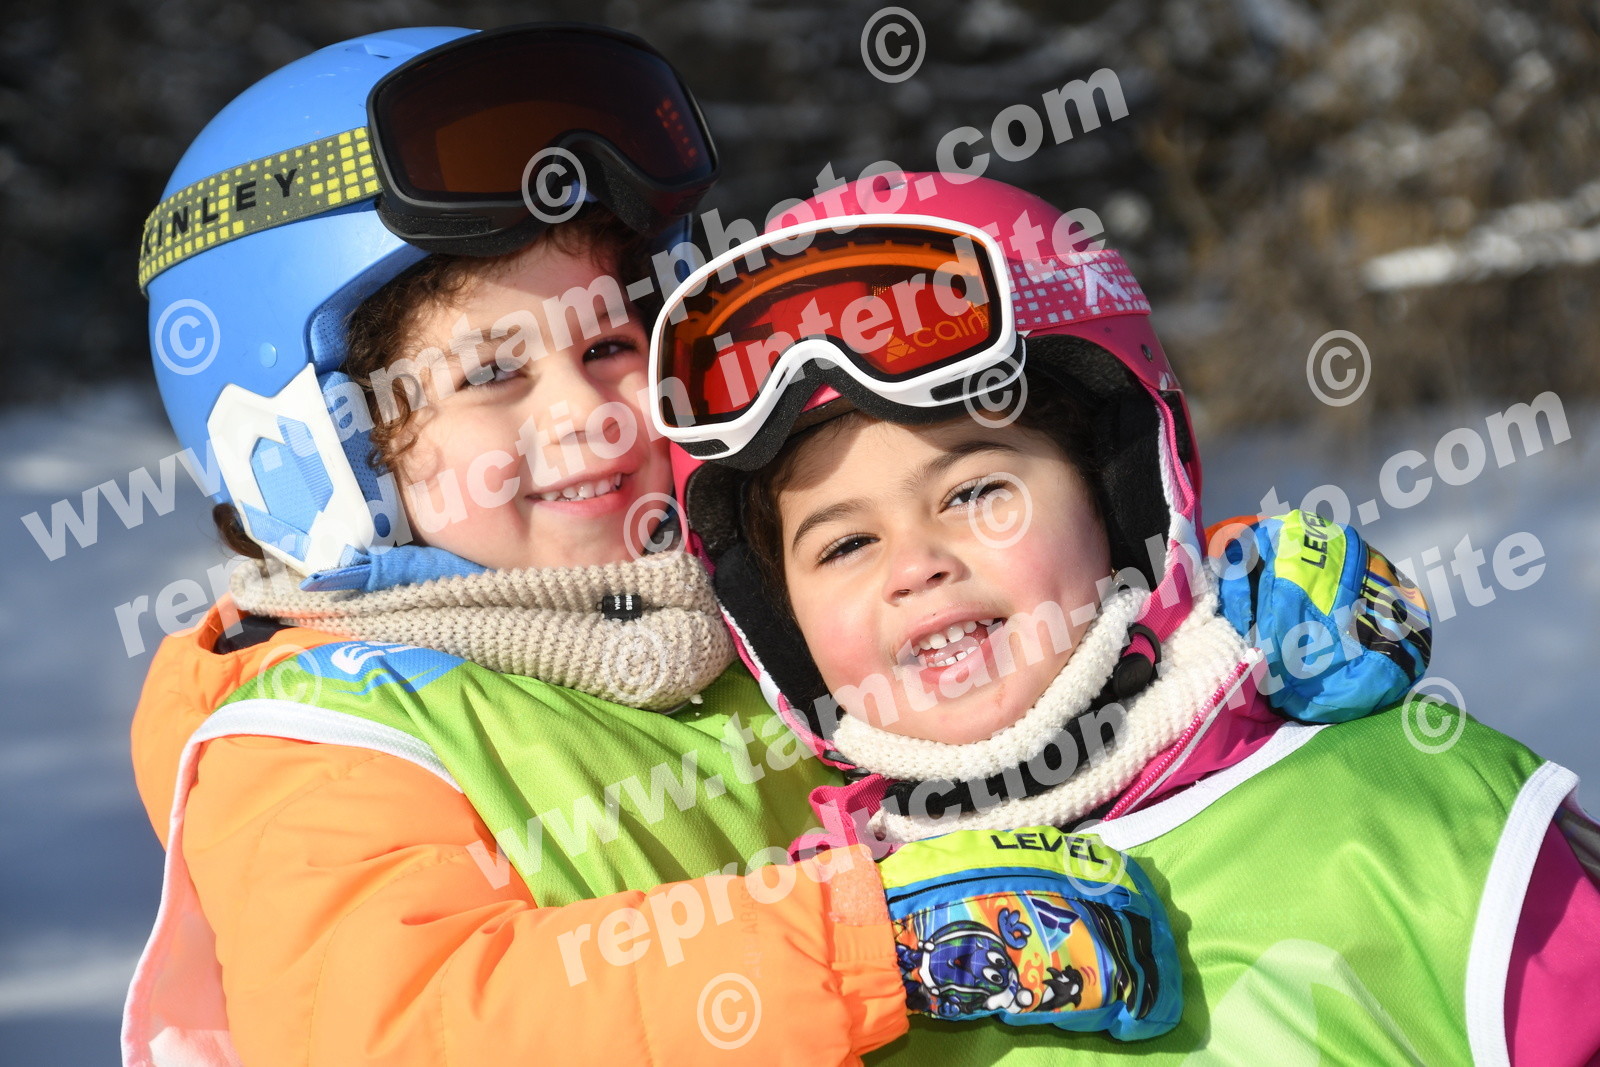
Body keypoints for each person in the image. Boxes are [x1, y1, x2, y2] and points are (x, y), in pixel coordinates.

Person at [126, 26, 1192, 1065]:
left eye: (607, 344)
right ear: (309, 443)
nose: (587, 414)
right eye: (490, 374)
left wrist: (1215, 606)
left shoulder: (727, 619)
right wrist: (871, 944)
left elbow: (1020, 628)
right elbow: (400, 1025)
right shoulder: (317, 737)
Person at [652, 170, 1600, 1063]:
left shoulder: (1423, 822)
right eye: (845, 544)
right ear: (778, 623)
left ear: (1120, 500)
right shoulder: (812, 980)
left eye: (976, 492)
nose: (916, 566)